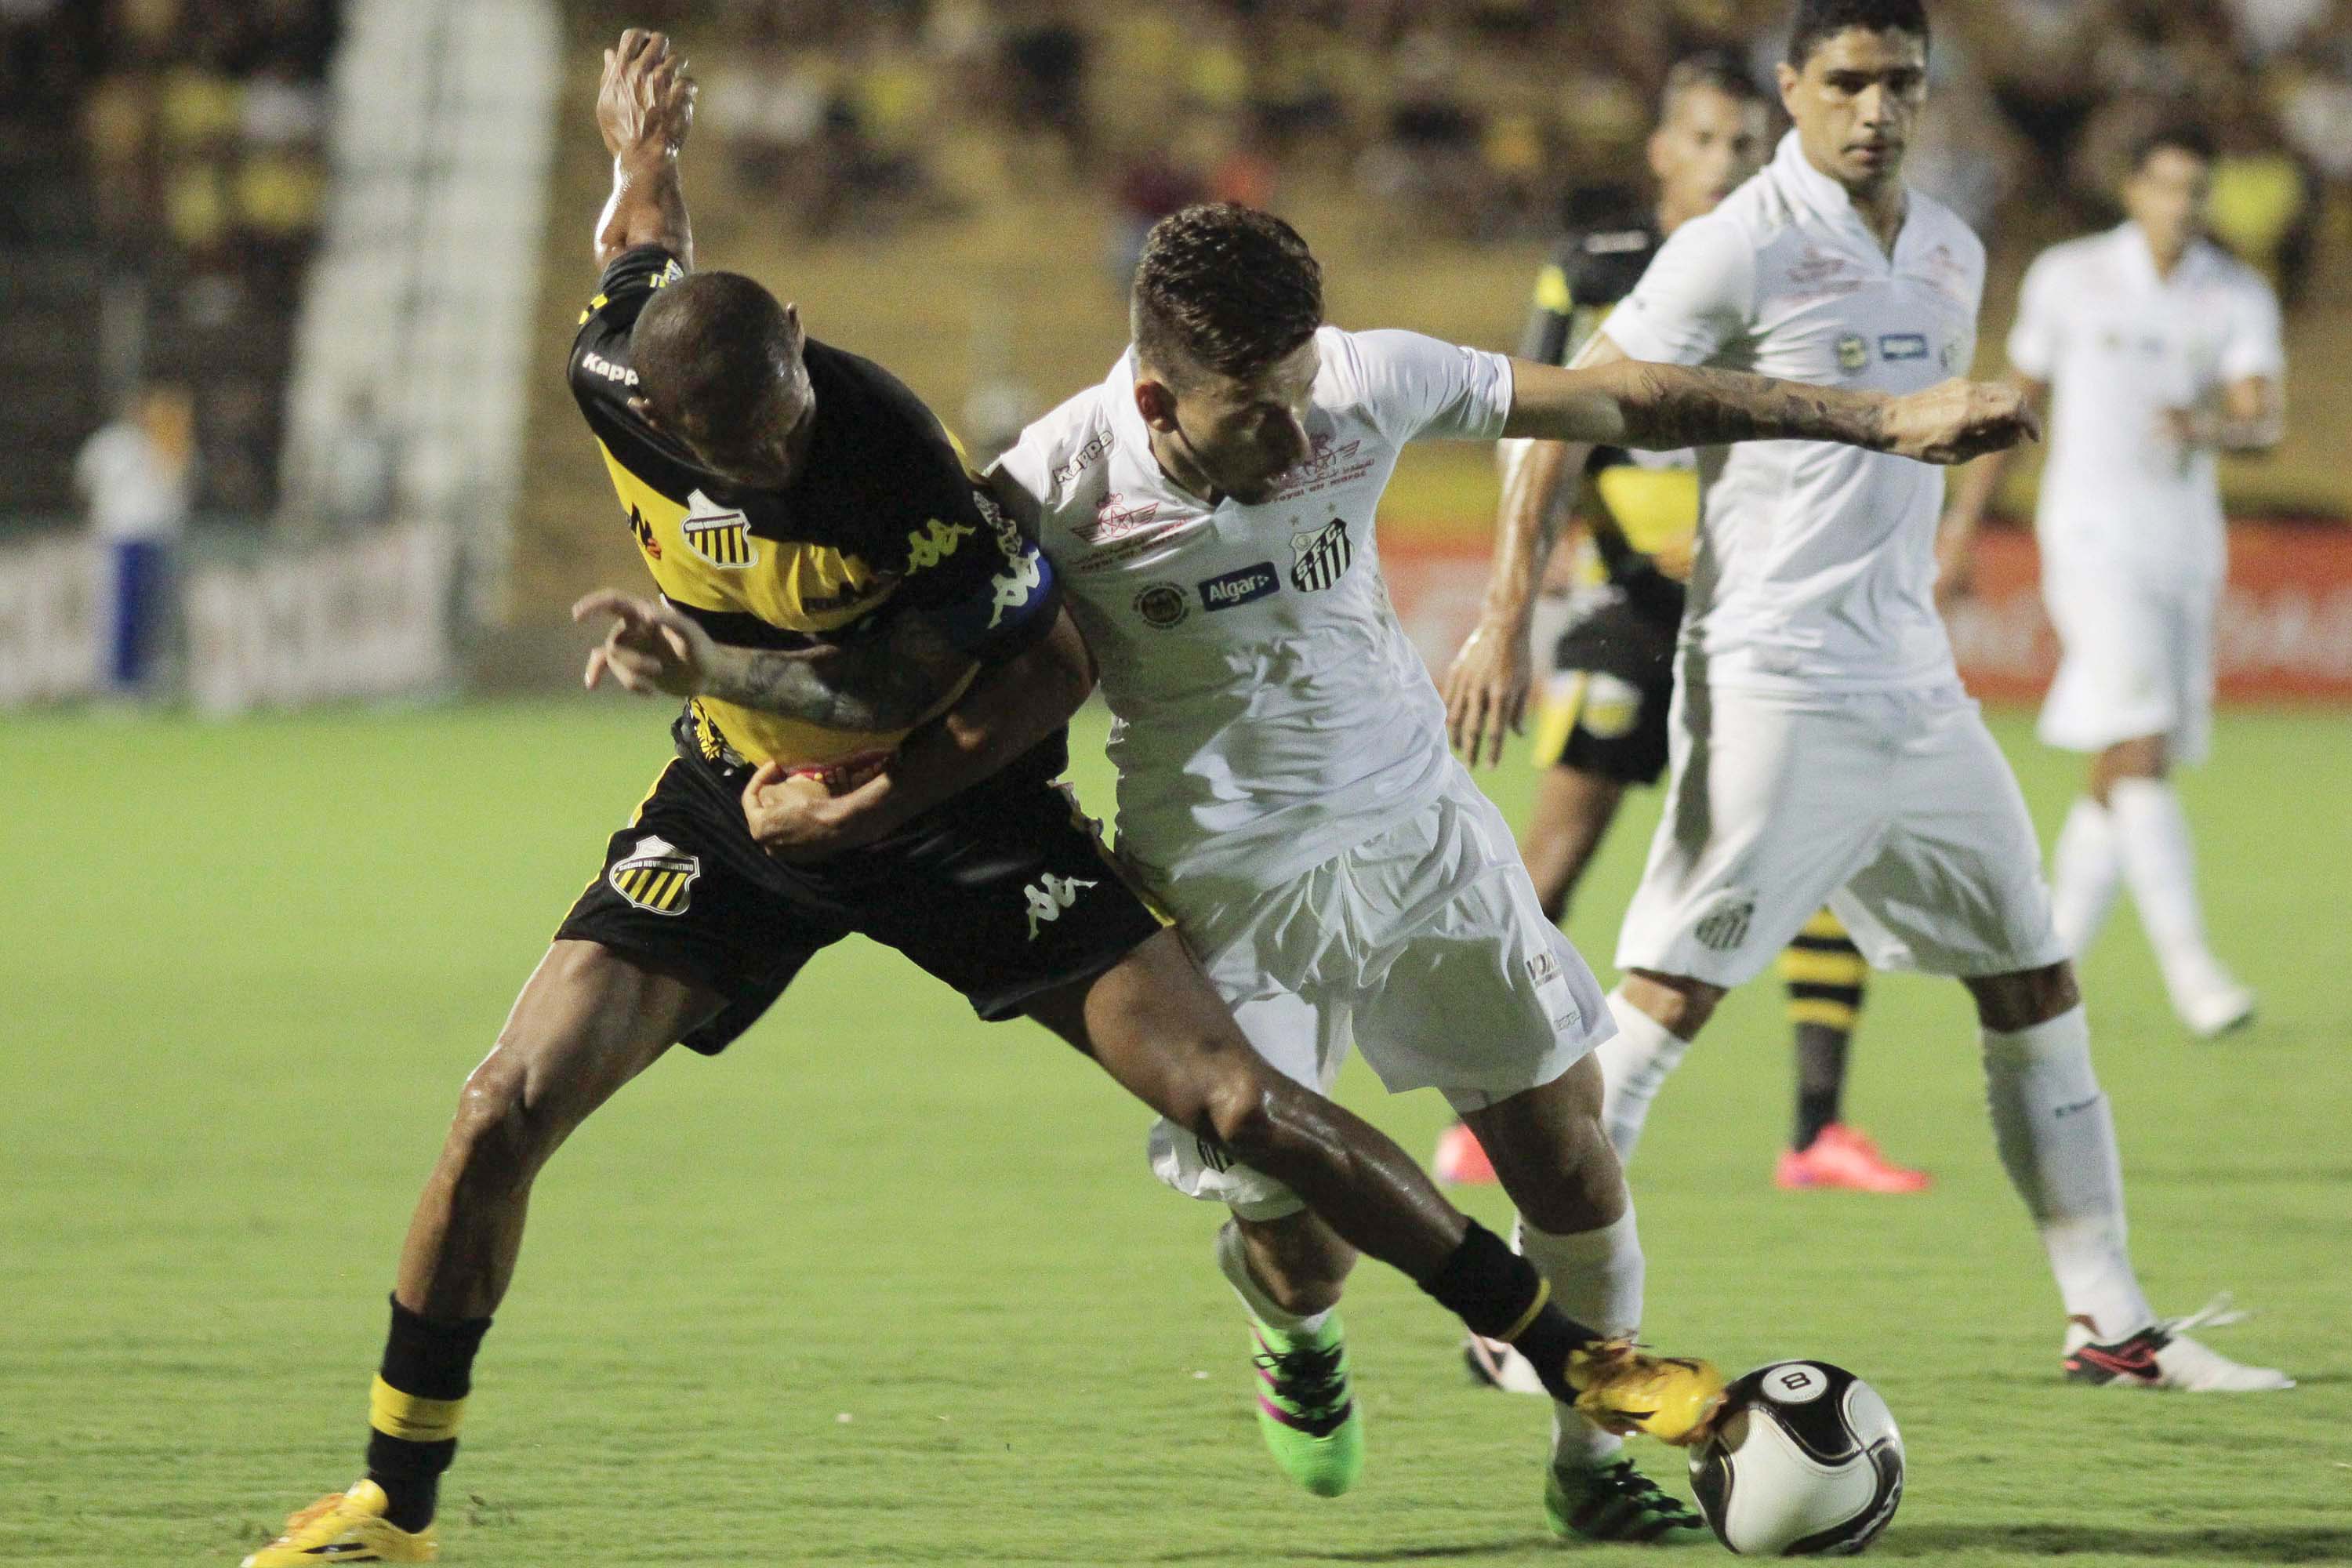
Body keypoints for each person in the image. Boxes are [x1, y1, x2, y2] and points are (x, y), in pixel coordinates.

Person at [238, 34, 1724, 1568]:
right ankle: (387, 1514)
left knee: (1245, 1111)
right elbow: (638, 254)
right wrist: (639, 158)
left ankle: (1576, 1363)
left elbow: (1021, 685)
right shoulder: (617, 369)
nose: (773, 461)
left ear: (808, 351)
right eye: (735, 456)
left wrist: (829, 769)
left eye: (784, 425)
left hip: (963, 811)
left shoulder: (912, 480)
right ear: (663, 427)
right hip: (741, 798)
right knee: (500, 1106)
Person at [739, 200, 2031, 1539]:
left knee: (1573, 1163)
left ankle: (1592, 1471)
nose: (1303, 437)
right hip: (1229, 886)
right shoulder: (1048, 491)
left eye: (1304, 395)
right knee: (1308, 1252)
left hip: (1422, 832)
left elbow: (1623, 398)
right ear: (1154, 396)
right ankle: (1291, 1338)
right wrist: (841, 793)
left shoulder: (1364, 378)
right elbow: (946, 681)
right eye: (1260, 413)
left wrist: (1880, 422)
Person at [1444, 0, 2292, 1396]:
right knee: (1662, 1001)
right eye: (1846, 81)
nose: (1875, 108)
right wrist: (1501, 613)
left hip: (1914, 682)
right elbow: (1557, 405)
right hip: (1773, 679)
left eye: (1900, 81)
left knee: (2033, 983)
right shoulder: (1739, 244)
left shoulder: (1950, 244)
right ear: (1794, 88)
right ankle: (1519, 1322)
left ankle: (2112, 1325)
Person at [1432, 52, 1930, 1207]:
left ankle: (1818, 1129)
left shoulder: (1791, 267)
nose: (1720, 165)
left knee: (1819, 854)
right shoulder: (1595, 269)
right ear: (1661, 149)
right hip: (1627, 603)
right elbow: (1531, 416)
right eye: (1700, 141)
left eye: (1739, 147)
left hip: (1760, 607)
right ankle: (1494, 1101)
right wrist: (1545, 582)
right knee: (1560, 845)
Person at [1939, 122, 2282, 1038]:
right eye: (2167, 187)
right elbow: (2016, 406)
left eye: (2196, 191)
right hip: (2090, 537)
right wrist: (1964, 527)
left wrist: (2210, 424)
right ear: (2133, 192)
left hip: (2183, 544)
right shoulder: (2071, 277)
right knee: (2138, 740)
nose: (2183, 206)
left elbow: (2261, 418)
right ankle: (2194, 971)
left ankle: (2045, 967)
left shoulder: (2235, 292)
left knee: (2131, 761)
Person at [74, 382, 194, 698]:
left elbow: (184, 486)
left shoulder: (167, 442)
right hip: (118, 537)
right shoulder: (110, 443)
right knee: (118, 612)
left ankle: (149, 680)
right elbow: (84, 485)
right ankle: (117, 682)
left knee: (154, 612)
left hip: (158, 538)